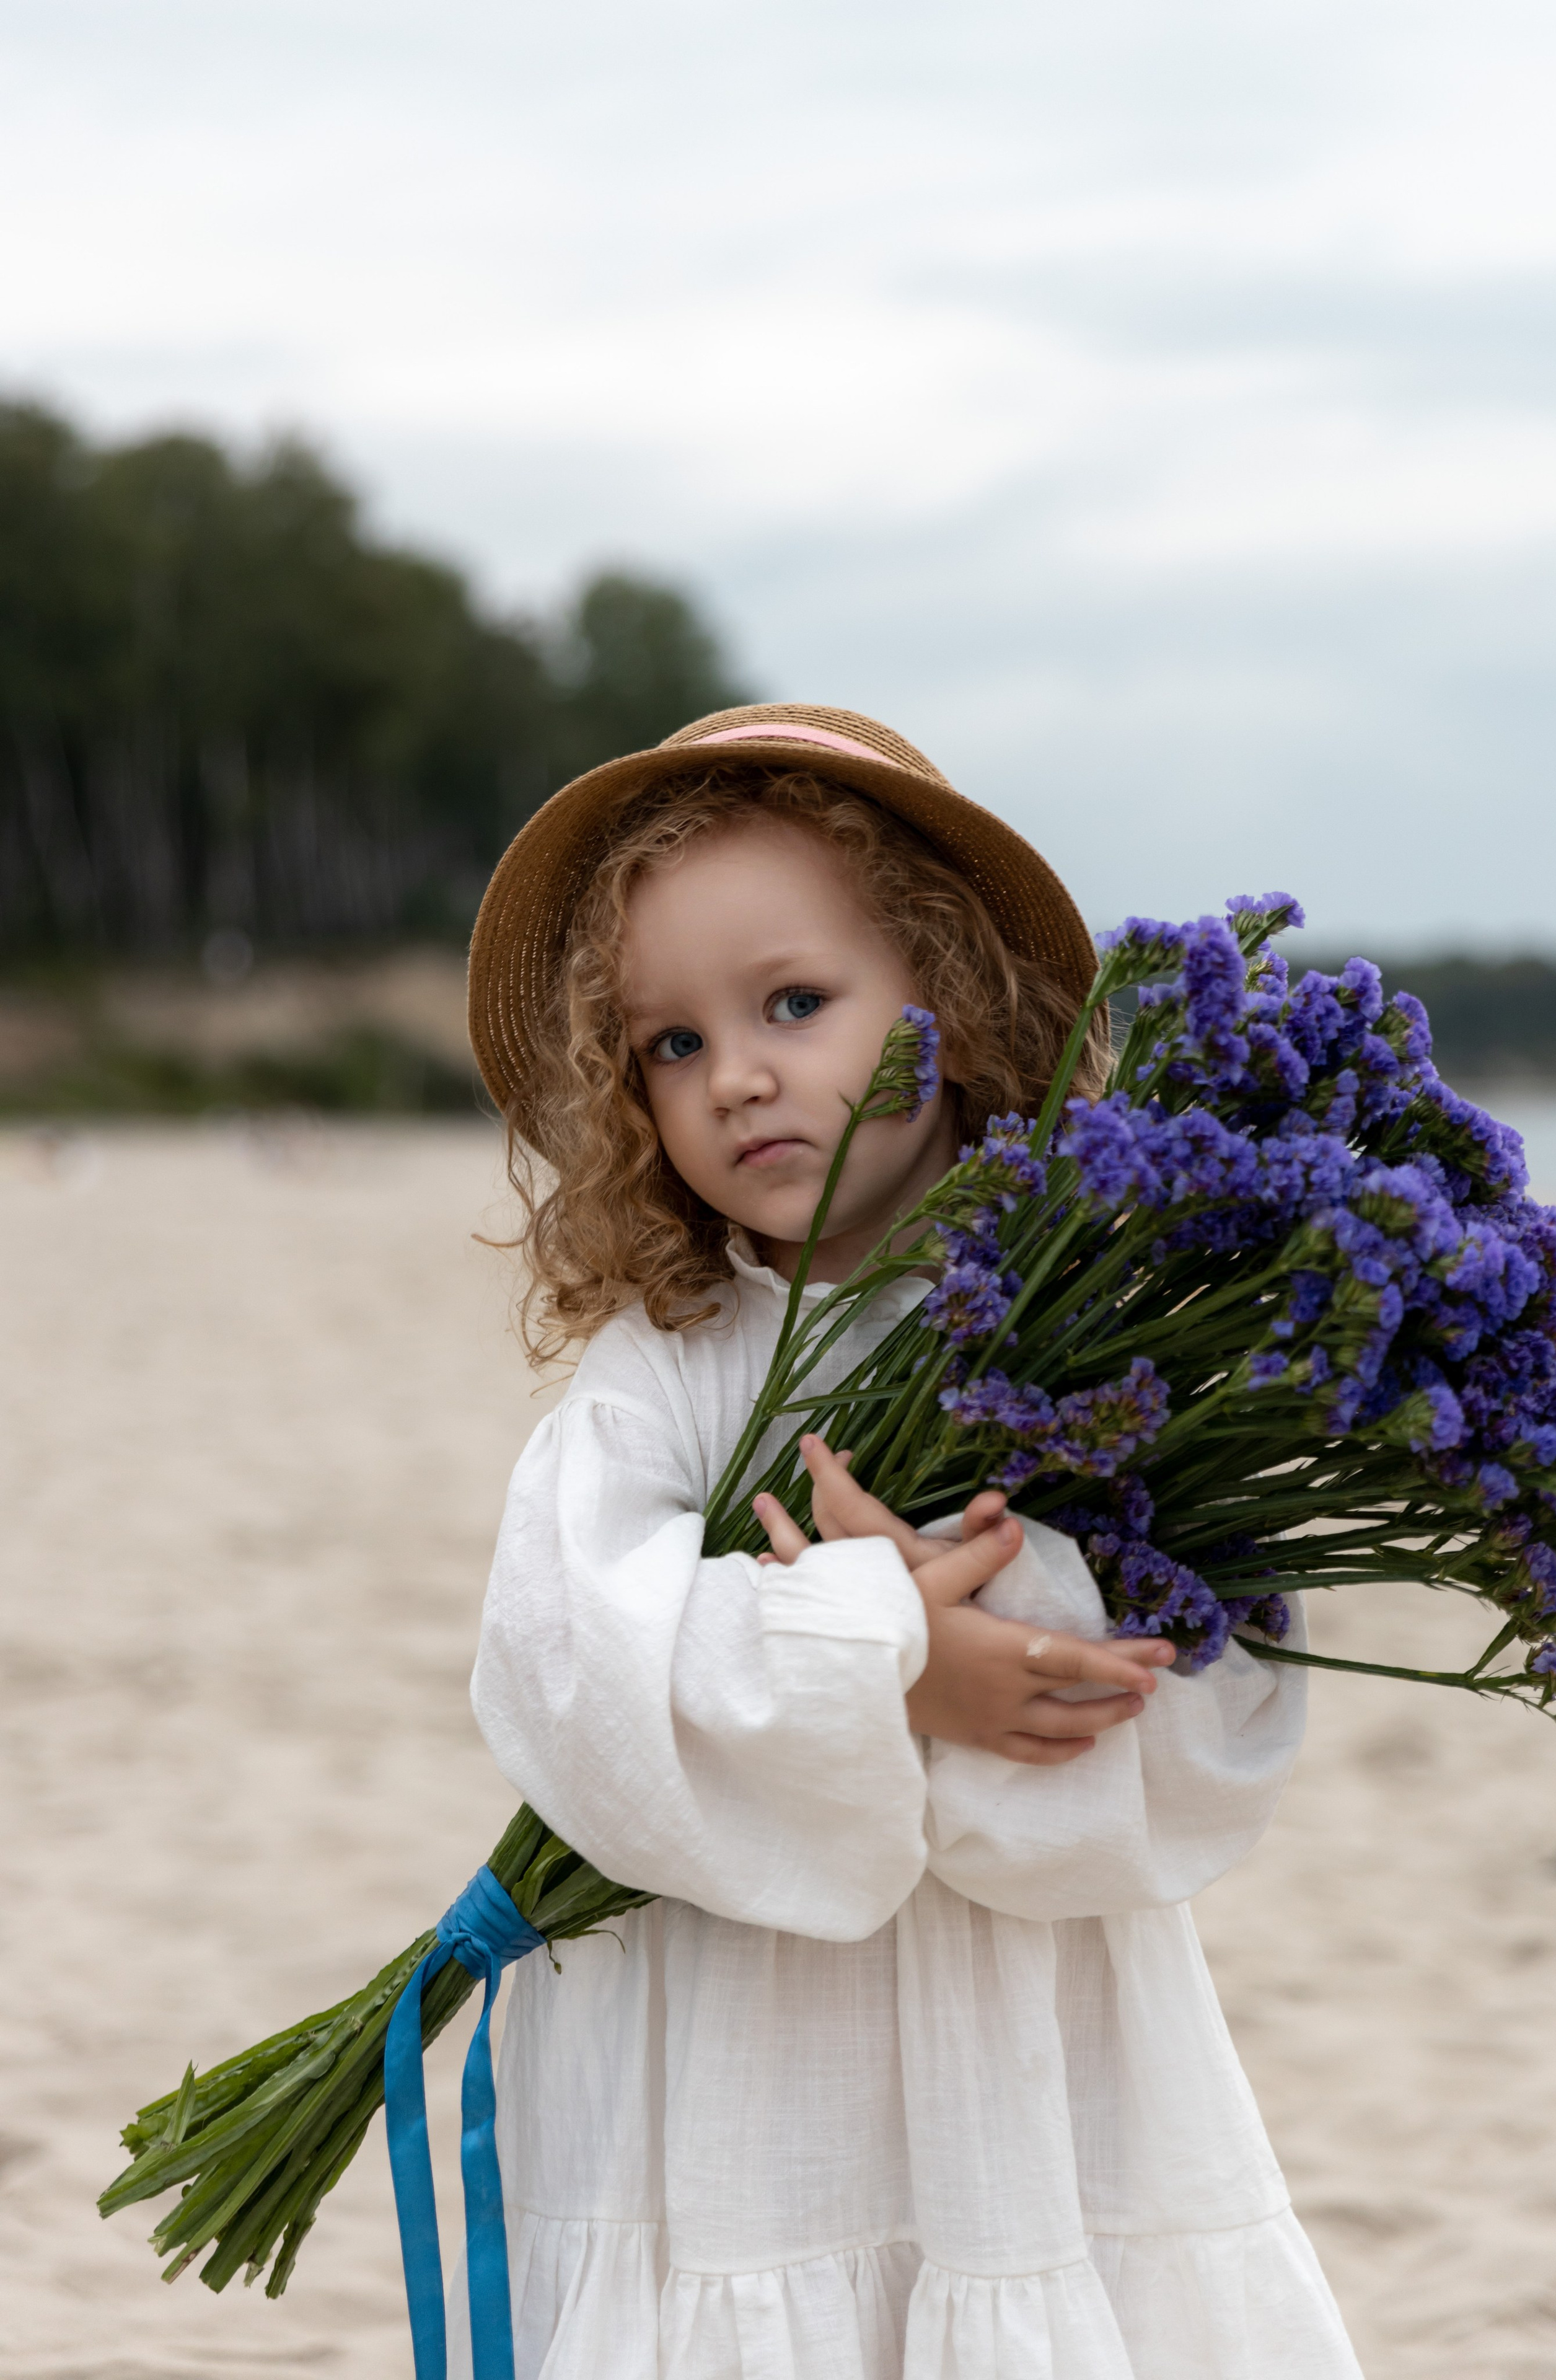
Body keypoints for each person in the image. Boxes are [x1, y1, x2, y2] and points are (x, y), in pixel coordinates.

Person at [464, 703, 1362, 2379]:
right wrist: (881, 1659)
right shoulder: (670, 1359)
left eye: (795, 1004)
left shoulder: (1086, 1334)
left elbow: (1222, 1694)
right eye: (669, 1044)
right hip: (735, 2047)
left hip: (1019, 2044)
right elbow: (567, 1650)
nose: (735, 1074)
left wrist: (1001, 1643)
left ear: (949, 1005)